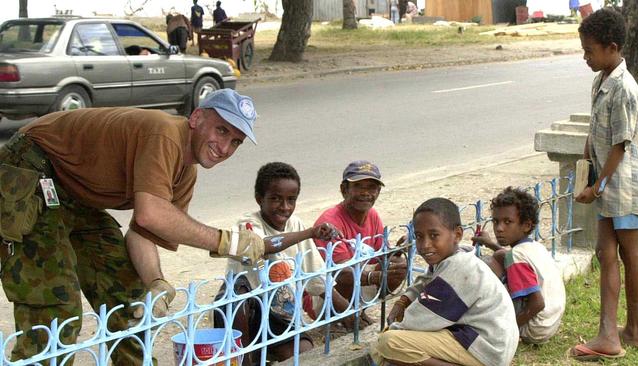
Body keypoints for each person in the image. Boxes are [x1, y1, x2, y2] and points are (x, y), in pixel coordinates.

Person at [0, 89, 277, 364]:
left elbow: (143, 232)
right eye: (221, 130)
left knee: (128, 298)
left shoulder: (185, 173)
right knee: (56, 304)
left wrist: (155, 281)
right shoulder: (164, 134)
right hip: (32, 167)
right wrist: (229, 242)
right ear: (196, 118)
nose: (225, 147)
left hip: (73, 192)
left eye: (235, 142)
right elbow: (150, 214)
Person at [569, 8, 638, 361]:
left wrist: (597, 186)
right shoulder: (601, 79)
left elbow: (621, 143)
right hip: (606, 182)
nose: (586, 57)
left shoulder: (625, 88)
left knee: (629, 254)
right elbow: (597, 132)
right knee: (606, 253)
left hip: (625, 185)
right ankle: (612, 332)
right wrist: (587, 163)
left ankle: (629, 331)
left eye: (590, 51)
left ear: (612, 47)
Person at [217, 162, 354, 364]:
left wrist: (352, 314)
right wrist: (310, 232)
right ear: (259, 199)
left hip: (281, 315)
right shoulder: (247, 224)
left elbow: (317, 279)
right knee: (236, 301)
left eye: (291, 200)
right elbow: (262, 246)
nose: (285, 207)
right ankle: (245, 357)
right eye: (275, 199)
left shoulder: (295, 224)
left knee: (306, 356)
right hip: (248, 313)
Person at [372, 198, 519, 366]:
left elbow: (420, 319)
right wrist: (403, 300)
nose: (425, 244)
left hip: (486, 348)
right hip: (485, 341)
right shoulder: (452, 258)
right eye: (419, 236)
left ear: (457, 234)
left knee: (389, 343)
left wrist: (391, 331)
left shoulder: (459, 267)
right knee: (389, 351)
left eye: (434, 235)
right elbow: (425, 281)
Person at [313, 160, 407, 326]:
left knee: (397, 263)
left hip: (357, 282)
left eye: (371, 187)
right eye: (358, 187)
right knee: (348, 273)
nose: (365, 193)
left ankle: (358, 311)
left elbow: (377, 257)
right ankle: (342, 317)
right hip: (324, 294)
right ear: (344, 190)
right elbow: (340, 273)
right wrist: (375, 276)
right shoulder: (329, 222)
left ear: (378, 191)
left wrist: (399, 250)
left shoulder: (372, 215)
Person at [472, 187, 566, 344]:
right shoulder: (535, 246)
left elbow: (537, 303)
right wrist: (490, 243)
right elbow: (507, 255)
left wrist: (509, 330)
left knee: (489, 264)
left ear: (527, 225)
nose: (499, 228)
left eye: (507, 222)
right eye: (496, 221)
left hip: (534, 328)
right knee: (501, 255)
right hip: (550, 322)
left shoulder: (517, 256)